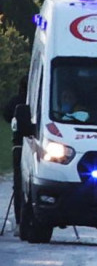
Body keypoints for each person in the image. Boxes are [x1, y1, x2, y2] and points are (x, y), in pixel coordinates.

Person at [4, 76, 27, 225]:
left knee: (18, 183)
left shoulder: (15, 101)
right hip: (29, 143)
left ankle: (20, 219)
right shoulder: (34, 99)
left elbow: (6, 114)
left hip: (18, 144)